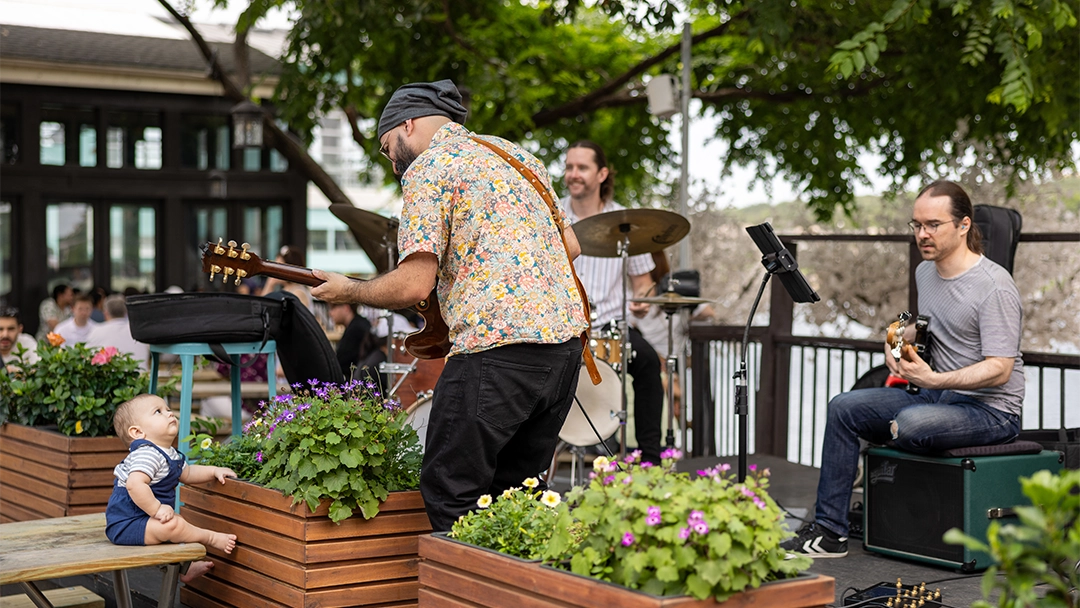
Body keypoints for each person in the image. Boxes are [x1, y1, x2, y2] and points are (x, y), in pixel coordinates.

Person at [311, 79, 589, 531]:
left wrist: (351, 291)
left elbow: (412, 285)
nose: (392, 159)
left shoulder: (430, 168)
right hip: (563, 348)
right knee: (517, 496)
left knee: (448, 489)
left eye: (387, 147)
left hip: (495, 347)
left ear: (409, 124)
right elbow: (571, 247)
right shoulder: (516, 156)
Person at [782, 180, 1024, 558]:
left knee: (911, 422)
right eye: (916, 225)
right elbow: (916, 319)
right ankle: (830, 532)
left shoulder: (994, 286)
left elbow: (1001, 368)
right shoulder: (926, 272)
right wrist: (894, 337)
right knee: (843, 407)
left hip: (990, 410)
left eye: (932, 225)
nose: (922, 235)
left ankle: (884, 463)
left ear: (963, 225)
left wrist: (934, 378)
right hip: (936, 396)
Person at [562, 140, 664, 464]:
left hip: (610, 328)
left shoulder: (625, 224)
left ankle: (650, 461)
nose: (573, 174)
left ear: (602, 173)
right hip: (563, 329)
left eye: (582, 167)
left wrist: (643, 302)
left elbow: (644, 284)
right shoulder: (552, 216)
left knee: (648, 364)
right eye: (569, 167)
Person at [105, 394, 236, 582]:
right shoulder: (146, 454)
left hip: (144, 518)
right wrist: (157, 509)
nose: (169, 413)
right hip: (127, 523)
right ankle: (211, 539)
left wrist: (213, 471)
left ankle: (186, 569)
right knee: (174, 524)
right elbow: (135, 485)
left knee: (176, 523)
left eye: (167, 409)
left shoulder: (169, 454)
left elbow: (188, 473)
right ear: (137, 432)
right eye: (158, 411)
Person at [85, 294, 150, 367]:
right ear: (126, 312)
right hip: (140, 376)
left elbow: (87, 357)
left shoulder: (96, 331)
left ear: (106, 313)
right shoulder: (139, 330)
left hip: (109, 376)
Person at [329, 302, 374, 378]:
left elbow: (342, 360)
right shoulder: (359, 323)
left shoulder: (356, 329)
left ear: (346, 308)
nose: (330, 313)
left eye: (334, 308)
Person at [0, 307, 39, 374]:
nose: (5, 335)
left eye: (11, 329)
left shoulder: (27, 342)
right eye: (0, 329)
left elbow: (39, 369)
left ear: (20, 329)